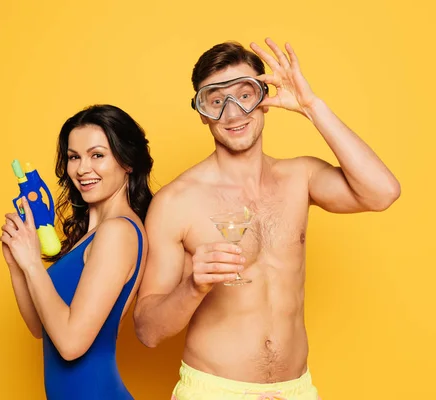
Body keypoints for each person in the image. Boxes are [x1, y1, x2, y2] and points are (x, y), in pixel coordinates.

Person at [134, 39, 401, 400]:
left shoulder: (300, 178)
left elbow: (382, 192)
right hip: (215, 391)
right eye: (215, 101)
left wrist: (312, 107)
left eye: (245, 94)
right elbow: (148, 331)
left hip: (297, 390)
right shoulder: (176, 203)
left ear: (265, 98)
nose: (232, 113)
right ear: (201, 112)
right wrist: (193, 285)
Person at [0, 104, 153, 399]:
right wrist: (17, 262)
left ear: (127, 162)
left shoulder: (118, 232)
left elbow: (71, 345)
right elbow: (40, 327)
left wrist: (33, 263)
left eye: (97, 155)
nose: (82, 169)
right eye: (74, 157)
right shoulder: (91, 236)